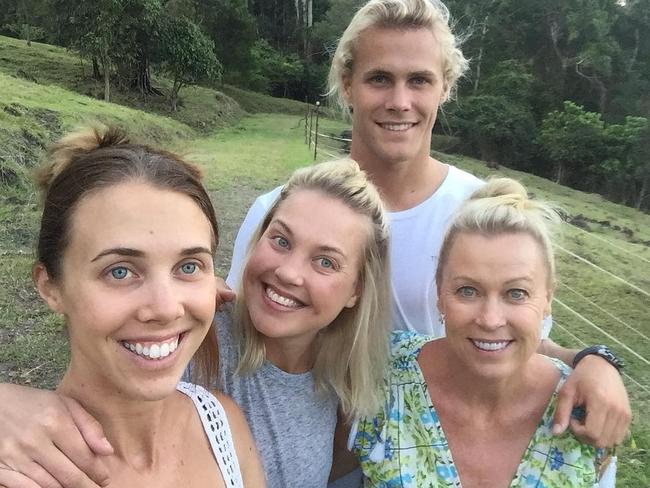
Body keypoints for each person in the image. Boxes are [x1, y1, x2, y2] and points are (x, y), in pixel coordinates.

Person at [226, 0, 630, 461]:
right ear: (347, 84)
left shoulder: (482, 214)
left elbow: (525, 341)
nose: (400, 101)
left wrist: (594, 361)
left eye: (419, 80)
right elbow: (235, 336)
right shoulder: (279, 215)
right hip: (301, 458)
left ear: (445, 89)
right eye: (380, 78)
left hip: (435, 464)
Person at [0, 157, 392, 488]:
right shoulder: (199, 338)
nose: (166, 309)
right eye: (281, 241)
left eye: (325, 262)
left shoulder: (324, 387)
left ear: (357, 290)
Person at [0, 126, 265, 488]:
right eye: (120, 271)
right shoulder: (20, 473)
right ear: (51, 287)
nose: (166, 308)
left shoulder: (222, 425)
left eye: (188, 267)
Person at [352, 177, 618, 487]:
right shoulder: (382, 377)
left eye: (516, 293)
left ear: (547, 298)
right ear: (439, 291)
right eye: (467, 290)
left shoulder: (586, 411)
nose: (490, 319)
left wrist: (598, 361)